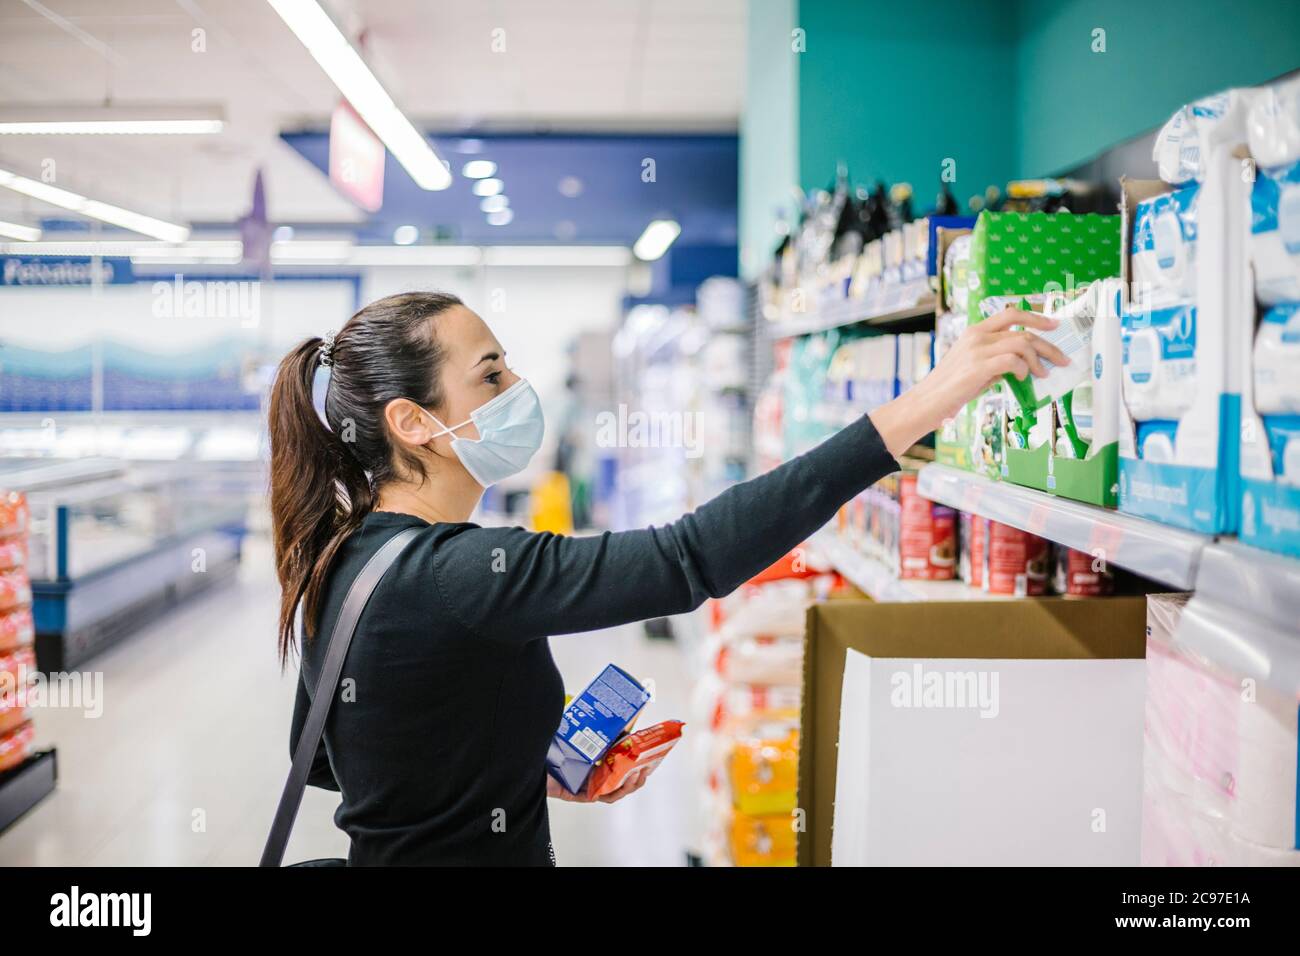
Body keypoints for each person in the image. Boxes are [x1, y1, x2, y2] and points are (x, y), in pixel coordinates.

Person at [267, 290, 1066, 866]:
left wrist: (519, 767)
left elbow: (340, 762)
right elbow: (690, 556)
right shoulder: (467, 572)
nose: (520, 391)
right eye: (492, 375)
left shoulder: (340, 557)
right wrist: (926, 401)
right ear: (414, 423)